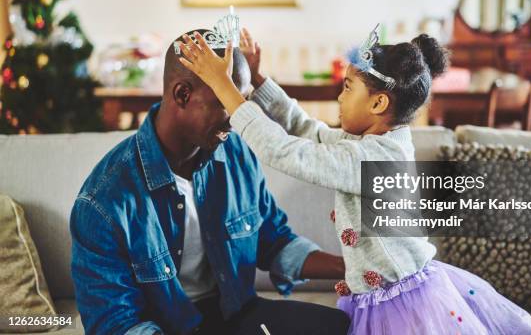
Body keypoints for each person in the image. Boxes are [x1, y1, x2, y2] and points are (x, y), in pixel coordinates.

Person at [177, 24, 531, 335]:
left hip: (398, 305)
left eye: (348, 87)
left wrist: (224, 87)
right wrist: (258, 83)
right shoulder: (375, 144)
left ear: (379, 103)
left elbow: (285, 152)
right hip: (379, 294)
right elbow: (308, 131)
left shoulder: (372, 159)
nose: (339, 96)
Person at [70, 29, 350, 335]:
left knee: (342, 327)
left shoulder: (236, 152)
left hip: (237, 315)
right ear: (182, 95)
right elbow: (116, 325)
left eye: (241, 101)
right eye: (225, 101)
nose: (237, 116)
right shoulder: (103, 201)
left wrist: (352, 267)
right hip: (164, 329)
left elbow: (275, 242)